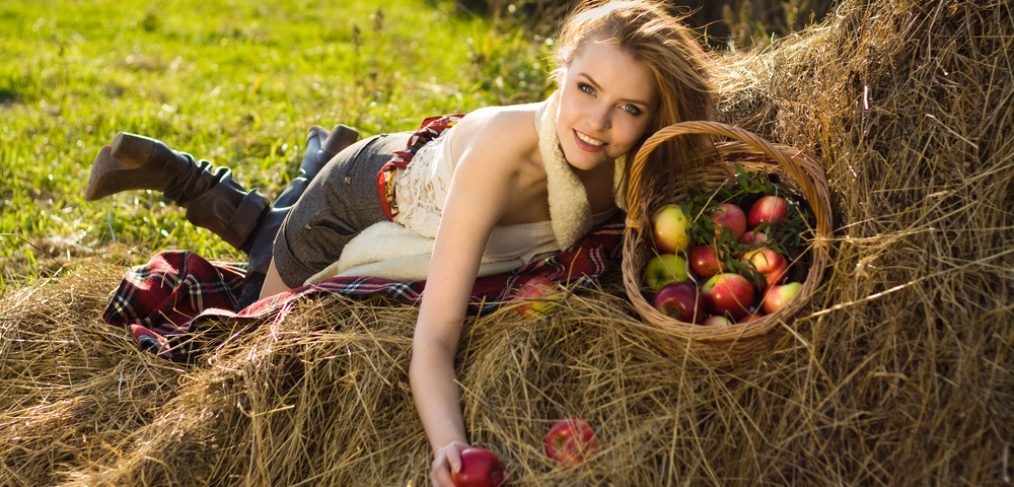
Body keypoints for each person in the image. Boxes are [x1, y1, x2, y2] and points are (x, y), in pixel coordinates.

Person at [84, 1, 716, 484]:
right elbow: (434, 342)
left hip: (438, 176)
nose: (599, 123)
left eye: (629, 109)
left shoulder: (637, 158)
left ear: (653, 115)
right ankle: (189, 177)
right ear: (562, 73)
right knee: (256, 317)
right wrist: (450, 446)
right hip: (359, 194)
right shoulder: (506, 154)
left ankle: (302, 164)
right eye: (586, 90)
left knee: (269, 255)